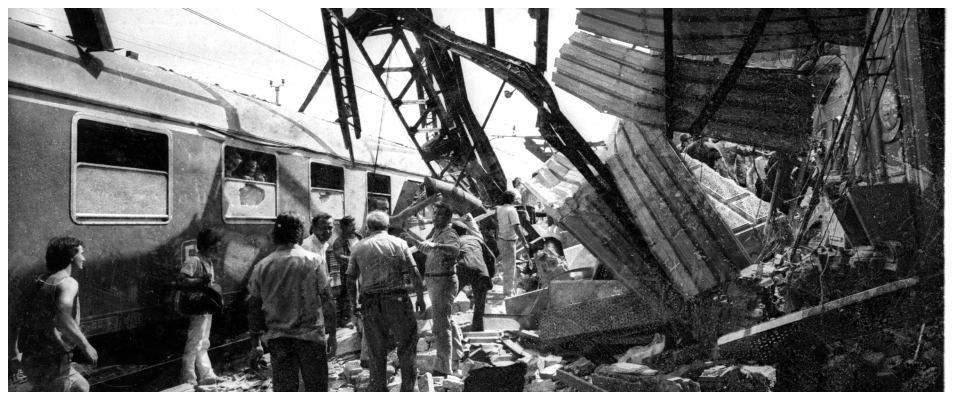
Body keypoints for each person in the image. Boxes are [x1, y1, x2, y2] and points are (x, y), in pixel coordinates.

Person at [247, 211, 337, 392]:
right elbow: (328, 301)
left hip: (279, 341)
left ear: (276, 233)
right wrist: (332, 335)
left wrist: (256, 344)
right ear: (300, 232)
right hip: (311, 339)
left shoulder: (263, 265)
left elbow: (253, 307)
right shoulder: (314, 261)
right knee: (317, 389)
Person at [345, 211, 426, 392]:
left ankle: (380, 390)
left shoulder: (358, 247)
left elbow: (350, 279)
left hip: (371, 303)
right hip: (398, 300)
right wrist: (420, 297)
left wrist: (353, 305)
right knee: (406, 347)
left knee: (376, 351)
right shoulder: (400, 243)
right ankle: (407, 390)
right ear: (387, 226)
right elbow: (415, 272)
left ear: (368, 228)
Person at [12, 237, 97, 392]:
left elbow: (18, 318)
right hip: (52, 359)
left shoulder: (39, 280)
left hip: (32, 357)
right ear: (71, 256)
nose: (83, 258)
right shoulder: (68, 283)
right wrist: (86, 346)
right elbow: (63, 317)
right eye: (81, 254)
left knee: (81, 387)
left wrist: (15, 351)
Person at [416, 202, 464, 377]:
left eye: (440, 215)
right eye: (434, 215)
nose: (435, 218)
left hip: (443, 280)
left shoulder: (449, 233)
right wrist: (413, 240)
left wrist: (436, 246)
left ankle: (444, 367)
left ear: (449, 218)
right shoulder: (437, 232)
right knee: (446, 319)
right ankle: (457, 354)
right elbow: (427, 249)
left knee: (441, 325)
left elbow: (455, 249)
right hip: (436, 280)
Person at [179, 228, 224, 386]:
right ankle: (188, 379)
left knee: (203, 342)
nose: (220, 248)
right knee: (194, 343)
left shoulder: (208, 261)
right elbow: (181, 281)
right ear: (210, 246)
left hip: (206, 307)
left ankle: (206, 374)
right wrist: (199, 282)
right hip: (197, 308)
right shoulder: (194, 261)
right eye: (217, 245)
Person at [451, 221, 495, 332]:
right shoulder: (477, 239)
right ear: (466, 231)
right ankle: (477, 329)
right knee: (480, 304)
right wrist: (490, 276)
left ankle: (445, 326)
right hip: (481, 271)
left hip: (463, 270)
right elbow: (492, 258)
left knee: (448, 298)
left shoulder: (453, 241)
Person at [330, 215, 363, 327]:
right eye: (351, 225)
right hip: (348, 271)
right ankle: (345, 319)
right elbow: (339, 257)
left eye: (354, 224)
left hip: (362, 270)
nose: (354, 227)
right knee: (348, 294)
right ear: (343, 227)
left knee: (361, 292)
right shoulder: (339, 241)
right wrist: (355, 259)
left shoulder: (359, 236)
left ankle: (358, 316)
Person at [496, 189, 528, 296]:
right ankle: (509, 293)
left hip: (501, 240)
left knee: (508, 267)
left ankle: (510, 291)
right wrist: (524, 241)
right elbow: (516, 227)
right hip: (509, 242)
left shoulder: (500, 209)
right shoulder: (512, 210)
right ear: (512, 199)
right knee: (510, 268)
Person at [513, 176, 538, 242]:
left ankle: (533, 240)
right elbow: (518, 202)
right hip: (523, 210)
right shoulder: (516, 191)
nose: (520, 182)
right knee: (530, 227)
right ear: (515, 184)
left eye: (520, 181)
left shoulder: (521, 190)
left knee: (530, 227)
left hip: (525, 209)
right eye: (518, 181)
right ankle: (534, 240)